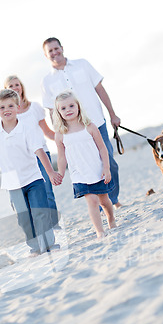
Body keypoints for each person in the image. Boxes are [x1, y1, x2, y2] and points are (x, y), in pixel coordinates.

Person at [41, 37, 122, 210]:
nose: (55, 53)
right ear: (46, 55)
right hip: (72, 132)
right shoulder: (47, 81)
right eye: (50, 51)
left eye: (56, 48)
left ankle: (112, 200)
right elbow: (51, 110)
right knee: (86, 166)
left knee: (108, 161)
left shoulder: (82, 64)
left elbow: (100, 89)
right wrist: (58, 132)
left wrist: (113, 114)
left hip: (96, 122)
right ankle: (99, 206)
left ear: (62, 48)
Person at [0, 89, 63, 257]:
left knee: (40, 212)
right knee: (23, 218)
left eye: (11, 106)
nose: (7, 109)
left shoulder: (27, 128)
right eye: (2, 107)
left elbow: (39, 151)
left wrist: (50, 173)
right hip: (12, 183)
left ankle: (49, 244)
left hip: (33, 178)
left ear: (18, 107)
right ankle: (35, 247)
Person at [53, 90, 116, 239]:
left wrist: (106, 168)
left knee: (104, 201)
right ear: (58, 112)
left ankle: (111, 219)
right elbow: (61, 157)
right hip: (79, 173)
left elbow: (102, 148)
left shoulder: (90, 126)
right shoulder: (60, 134)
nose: (68, 110)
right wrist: (60, 173)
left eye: (71, 106)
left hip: (97, 169)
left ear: (78, 107)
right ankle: (99, 231)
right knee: (92, 201)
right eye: (63, 108)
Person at [4, 75, 59, 226]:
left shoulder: (34, 107)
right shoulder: (7, 113)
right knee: (31, 196)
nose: (15, 88)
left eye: (17, 84)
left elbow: (47, 132)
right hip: (22, 160)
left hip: (41, 155)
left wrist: (64, 140)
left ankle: (54, 224)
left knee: (47, 190)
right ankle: (41, 226)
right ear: (6, 90)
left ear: (21, 87)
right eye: (11, 86)